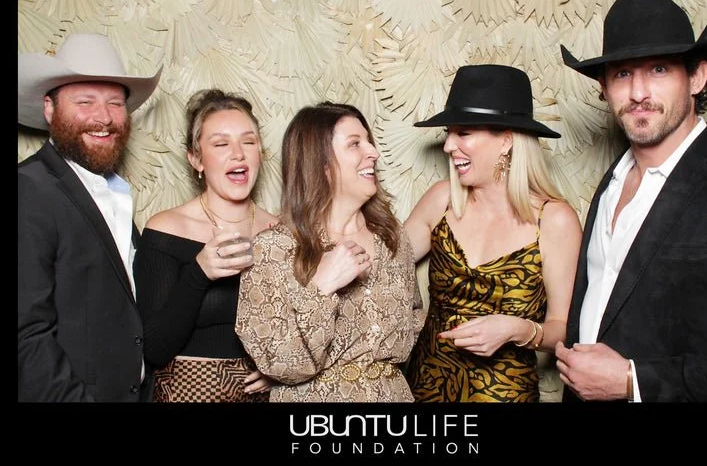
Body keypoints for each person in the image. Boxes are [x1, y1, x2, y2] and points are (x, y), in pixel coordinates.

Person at [555, 0, 707, 402]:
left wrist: (632, 381)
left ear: (697, 77)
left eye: (658, 69)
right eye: (623, 73)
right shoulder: (611, 183)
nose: (639, 92)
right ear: (605, 88)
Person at [404, 64, 583, 402]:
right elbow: (382, 264)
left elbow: (563, 327)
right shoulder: (442, 200)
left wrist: (518, 330)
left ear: (506, 141)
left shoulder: (553, 219)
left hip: (504, 394)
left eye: (464, 133)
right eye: (449, 133)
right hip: (424, 388)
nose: (448, 146)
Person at [235, 101, 425, 402]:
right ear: (320, 164)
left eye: (368, 141)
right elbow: (280, 363)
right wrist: (322, 287)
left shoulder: (392, 237)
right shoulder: (273, 249)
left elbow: (414, 319)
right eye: (354, 144)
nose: (372, 152)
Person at [18, 33, 162, 401]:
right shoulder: (29, 190)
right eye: (85, 101)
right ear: (50, 109)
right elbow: (26, 334)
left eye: (115, 103)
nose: (103, 118)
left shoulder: (114, 192)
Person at [134, 89, 277, 402]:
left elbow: (297, 328)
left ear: (260, 153)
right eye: (221, 143)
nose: (238, 153)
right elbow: (154, 349)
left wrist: (279, 368)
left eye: (248, 141)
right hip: (188, 392)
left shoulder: (280, 232)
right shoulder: (166, 229)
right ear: (196, 158)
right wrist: (199, 273)